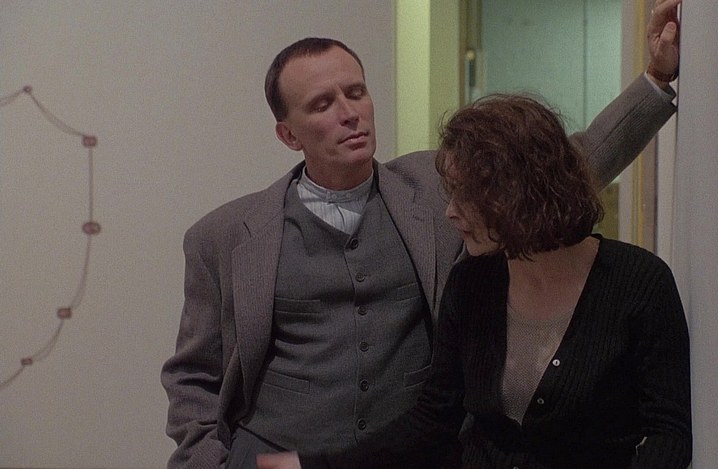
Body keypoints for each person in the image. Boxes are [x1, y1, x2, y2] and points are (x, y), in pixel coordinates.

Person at [160, 0, 683, 467]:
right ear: (288, 134)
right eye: (322, 104)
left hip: (411, 455)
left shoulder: (439, 190)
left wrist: (657, 78)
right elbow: (193, 379)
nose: (349, 114)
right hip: (277, 457)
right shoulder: (224, 237)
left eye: (356, 93)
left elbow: (560, 168)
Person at [261, 93, 691, 469]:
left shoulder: (639, 282)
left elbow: (669, 434)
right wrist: (317, 465)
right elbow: (433, 419)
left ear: (522, 192)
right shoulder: (472, 283)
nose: (451, 211)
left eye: (468, 194)